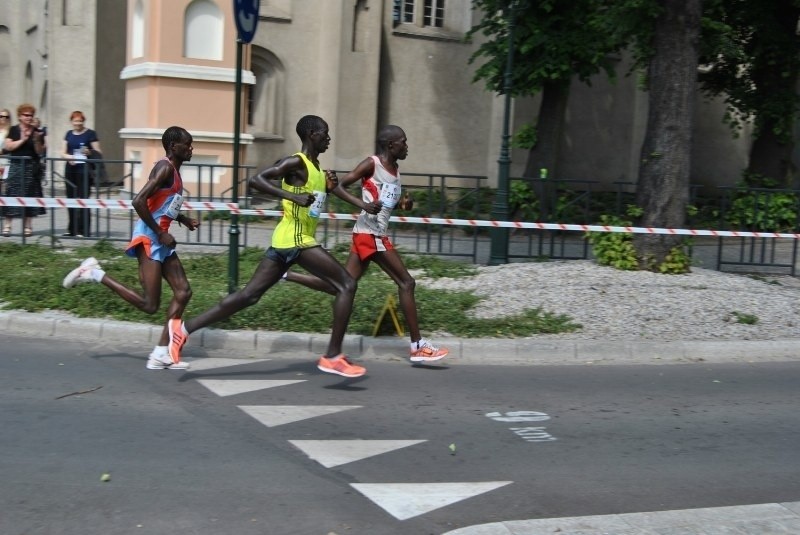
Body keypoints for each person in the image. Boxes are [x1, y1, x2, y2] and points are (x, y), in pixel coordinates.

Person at [167, 115, 372, 378]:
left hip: (285, 242)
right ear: (311, 134)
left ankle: (182, 330)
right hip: (297, 241)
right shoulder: (296, 161)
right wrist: (292, 196)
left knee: (248, 296)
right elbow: (256, 180)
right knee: (347, 284)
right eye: (324, 133)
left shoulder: (316, 168)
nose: (328, 138)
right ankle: (332, 356)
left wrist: (330, 189)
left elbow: (313, 200)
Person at [285, 125, 448, 363]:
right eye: (403, 141)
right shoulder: (371, 164)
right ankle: (418, 346)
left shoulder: (395, 169)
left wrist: (405, 205)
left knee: (339, 285)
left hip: (371, 233)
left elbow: (385, 201)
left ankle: (287, 275)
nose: (407, 146)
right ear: (391, 145)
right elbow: (338, 186)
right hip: (369, 234)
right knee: (406, 282)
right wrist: (361, 205)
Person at [62, 126, 199, 370]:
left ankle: (160, 353)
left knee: (183, 292)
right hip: (149, 238)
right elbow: (138, 201)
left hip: (161, 239)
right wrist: (160, 233)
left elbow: (162, 204)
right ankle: (93, 273)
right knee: (150, 305)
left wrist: (183, 219)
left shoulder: (175, 172)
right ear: (173, 146)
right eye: (187, 144)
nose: (191, 149)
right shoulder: (165, 167)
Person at [1, 104, 46, 237]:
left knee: (30, 195)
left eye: (31, 115)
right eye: (26, 115)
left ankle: (28, 226)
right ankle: (7, 226)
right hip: (16, 165)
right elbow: (8, 146)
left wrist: (37, 140)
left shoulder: (36, 131)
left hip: (31, 167)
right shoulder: (14, 130)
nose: (28, 117)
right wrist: (23, 140)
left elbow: (40, 151)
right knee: (11, 194)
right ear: (20, 116)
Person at [61, 111, 101, 237]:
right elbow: (62, 152)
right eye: (75, 121)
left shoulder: (90, 133)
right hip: (70, 168)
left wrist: (89, 151)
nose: (77, 123)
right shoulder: (68, 134)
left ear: (83, 121)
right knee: (70, 199)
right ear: (71, 122)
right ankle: (72, 229)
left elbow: (98, 151)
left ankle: (84, 230)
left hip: (84, 169)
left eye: (80, 121)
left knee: (84, 199)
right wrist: (70, 157)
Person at [0, 108, 10, 195]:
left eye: (6, 116)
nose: (3, 118)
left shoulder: (10, 131)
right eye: (1, 116)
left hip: (5, 162)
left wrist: (2, 152)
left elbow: (9, 147)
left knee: (4, 188)